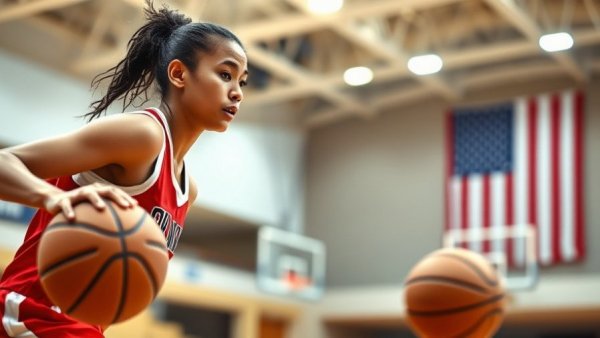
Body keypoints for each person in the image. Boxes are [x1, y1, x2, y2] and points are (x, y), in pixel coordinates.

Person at [0, 0, 248, 336]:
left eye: (242, 82)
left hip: (82, 326)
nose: (237, 93)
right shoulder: (143, 135)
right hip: (30, 314)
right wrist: (51, 198)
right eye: (224, 74)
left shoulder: (188, 190)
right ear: (178, 74)